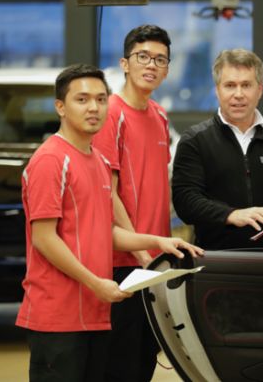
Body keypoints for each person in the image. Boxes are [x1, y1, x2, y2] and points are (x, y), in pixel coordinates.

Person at [16, 63, 203, 382]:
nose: (94, 108)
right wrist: (95, 282)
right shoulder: (50, 161)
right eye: (82, 99)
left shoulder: (98, 162)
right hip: (58, 319)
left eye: (101, 99)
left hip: (96, 315)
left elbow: (107, 233)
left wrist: (156, 242)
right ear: (60, 106)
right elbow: (43, 239)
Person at [172, 48, 263, 250]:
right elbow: (185, 202)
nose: (238, 94)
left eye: (246, 85)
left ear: (259, 90)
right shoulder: (195, 140)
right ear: (217, 90)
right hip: (216, 261)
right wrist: (231, 215)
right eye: (230, 85)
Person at [91, 24, 173, 382]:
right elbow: (108, 190)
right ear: (125, 63)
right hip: (124, 261)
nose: (151, 65)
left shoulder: (159, 115)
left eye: (160, 59)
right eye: (143, 57)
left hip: (153, 259)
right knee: (120, 362)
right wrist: (139, 249)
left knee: (145, 356)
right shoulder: (111, 113)